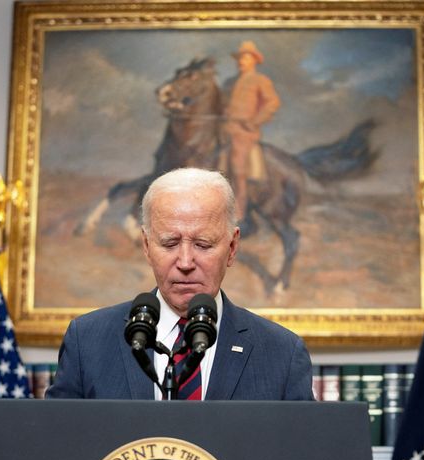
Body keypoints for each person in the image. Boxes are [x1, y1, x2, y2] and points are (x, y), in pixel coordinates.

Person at [45, 167, 313, 400]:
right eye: (170, 244)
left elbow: (298, 454)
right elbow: (59, 445)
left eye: (203, 244)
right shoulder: (88, 341)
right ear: (147, 247)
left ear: (231, 248)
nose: (185, 262)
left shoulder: (282, 354)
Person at [222, 41, 280, 225]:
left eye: (246, 57)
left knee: (237, 164)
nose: (241, 61)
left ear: (254, 60)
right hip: (224, 129)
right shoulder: (229, 83)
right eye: (240, 58)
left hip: (244, 132)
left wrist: (254, 121)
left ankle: (238, 212)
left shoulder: (260, 81)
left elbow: (272, 103)